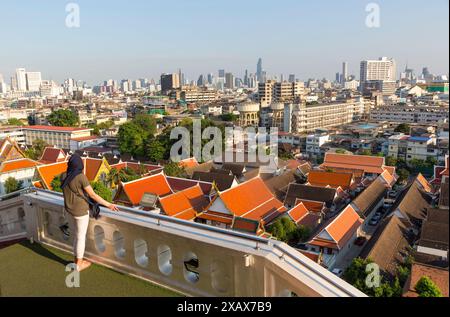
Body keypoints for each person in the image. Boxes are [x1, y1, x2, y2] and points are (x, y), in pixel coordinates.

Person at [61, 154, 119, 272]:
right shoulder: (81, 177)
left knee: (76, 236)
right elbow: (92, 195)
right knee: (80, 237)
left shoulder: (63, 175)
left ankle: (76, 261)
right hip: (81, 211)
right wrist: (109, 204)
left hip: (69, 210)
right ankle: (79, 264)